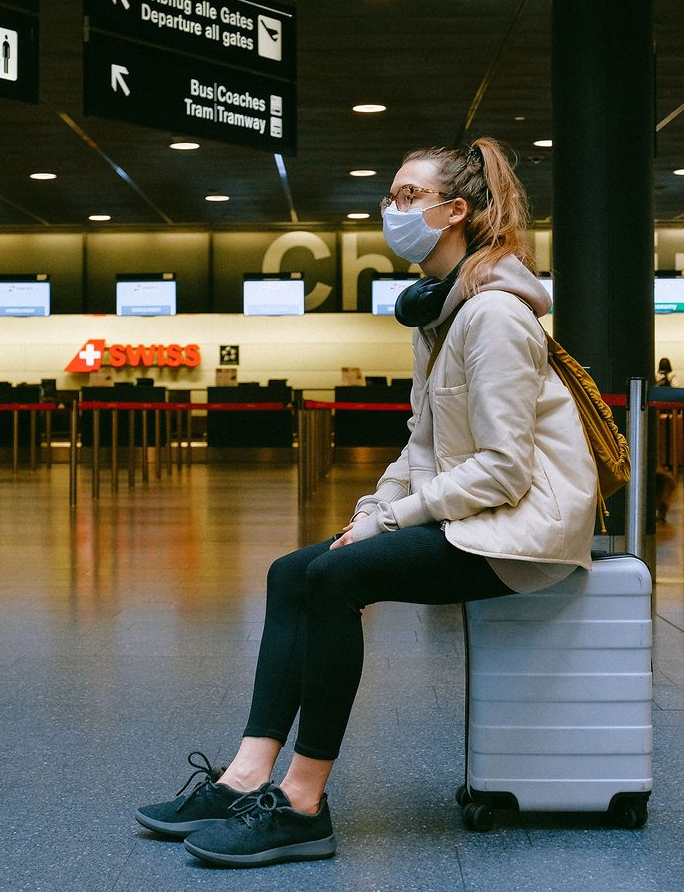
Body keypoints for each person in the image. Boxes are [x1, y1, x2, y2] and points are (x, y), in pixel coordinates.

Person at [134, 138, 598, 868]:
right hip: (474, 517)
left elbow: (506, 471)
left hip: (521, 535)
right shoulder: (442, 315)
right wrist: (371, 512)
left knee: (336, 578)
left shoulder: (495, 317)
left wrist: (395, 521)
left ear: (457, 212)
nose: (391, 208)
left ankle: (301, 803)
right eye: (390, 195)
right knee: (294, 570)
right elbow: (423, 445)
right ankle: (245, 775)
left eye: (408, 196)